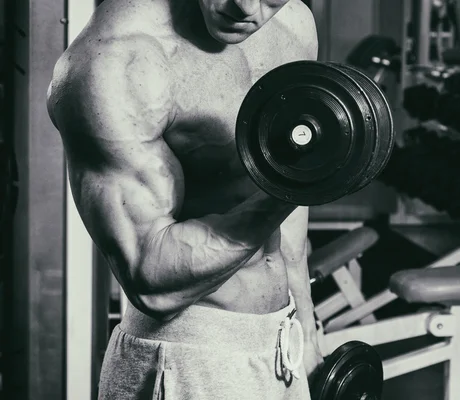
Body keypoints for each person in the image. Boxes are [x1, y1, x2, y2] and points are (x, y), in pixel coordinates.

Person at [47, 0, 323, 398]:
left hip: (281, 344)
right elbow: (149, 278)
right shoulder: (118, 59)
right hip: (186, 357)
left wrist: (306, 331)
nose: (245, 6)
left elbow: (290, 206)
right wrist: (298, 186)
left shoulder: (294, 24)